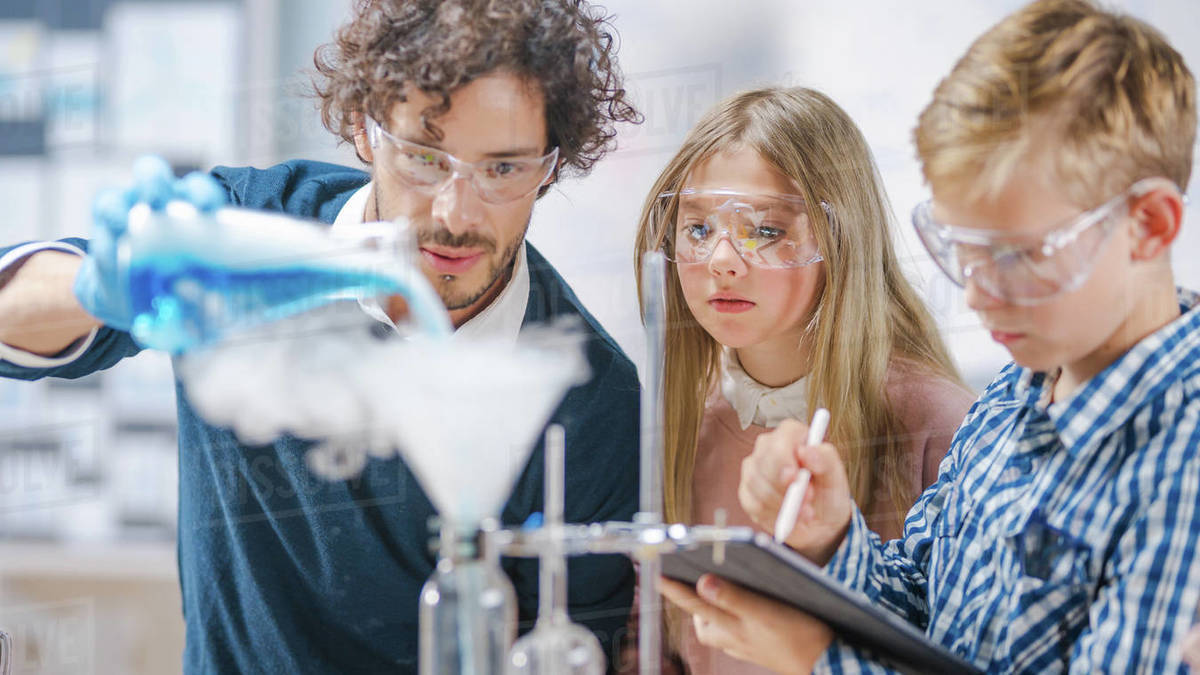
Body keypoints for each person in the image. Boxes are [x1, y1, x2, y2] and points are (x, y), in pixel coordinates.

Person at [0, 0, 644, 672]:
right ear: (367, 131)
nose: (457, 212)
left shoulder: (587, 397)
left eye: (504, 169)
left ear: (552, 163)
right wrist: (108, 284)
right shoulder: (252, 236)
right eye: (425, 158)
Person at [660, 0, 1200, 672]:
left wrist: (818, 657)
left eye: (1017, 254)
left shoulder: (1181, 459)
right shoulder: (1012, 397)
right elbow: (924, 605)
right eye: (959, 248)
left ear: (1149, 223)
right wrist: (831, 536)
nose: (975, 291)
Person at [627, 86, 974, 674]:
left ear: (840, 240)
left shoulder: (944, 427)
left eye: (764, 230)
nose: (722, 260)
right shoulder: (678, 431)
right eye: (698, 228)